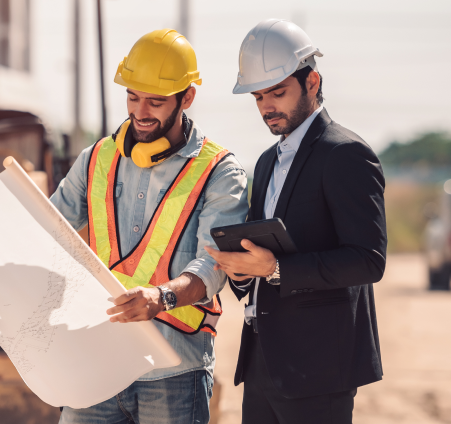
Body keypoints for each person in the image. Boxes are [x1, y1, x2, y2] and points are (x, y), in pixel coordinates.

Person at [51, 28, 249, 424]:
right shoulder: (96, 159)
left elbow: (213, 267)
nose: (140, 112)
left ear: (187, 98)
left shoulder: (219, 172)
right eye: (133, 97)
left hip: (174, 371)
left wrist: (162, 297)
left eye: (156, 101)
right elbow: (48, 230)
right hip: (97, 362)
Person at [205, 19, 387, 424]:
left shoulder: (346, 154)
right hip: (262, 362)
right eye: (258, 97)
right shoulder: (267, 162)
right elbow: (262, 255)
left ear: (312, 82)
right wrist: (240, 269)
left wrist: (275, 268)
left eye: (277, 92)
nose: (267, 106)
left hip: (320, 368)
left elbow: (368, 260)